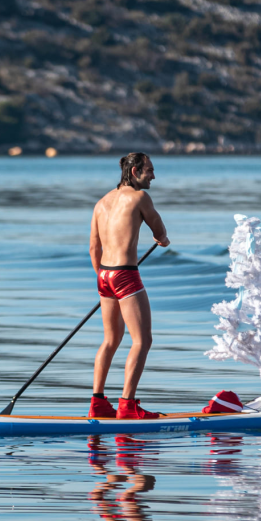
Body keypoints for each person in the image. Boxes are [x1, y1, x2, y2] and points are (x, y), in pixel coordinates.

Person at [88, 152, 169, 419]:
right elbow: (158, 229)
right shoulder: (139, 198)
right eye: (150, 170)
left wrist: (103, 278)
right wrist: (163, 238)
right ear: (135, 172)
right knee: (143, 340)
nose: (154, 176)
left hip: (103, 275)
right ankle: (127, 404)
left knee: (110, 340)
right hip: (125, 275)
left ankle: (98, 402)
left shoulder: (101, 203)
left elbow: (94, 247)